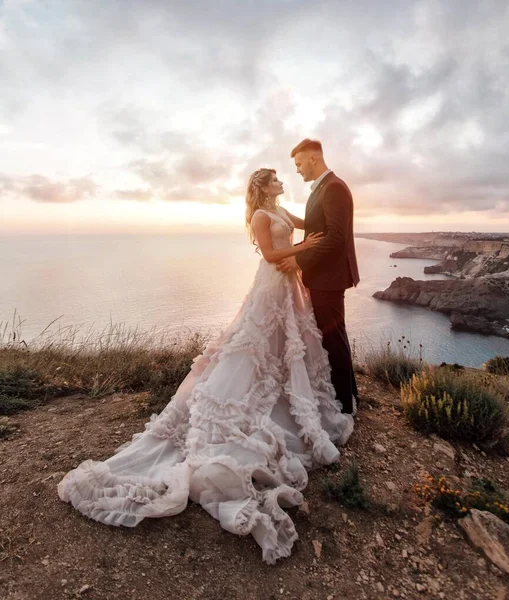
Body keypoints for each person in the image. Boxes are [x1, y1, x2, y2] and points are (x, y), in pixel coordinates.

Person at [58, 167, 353, 564]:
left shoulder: (280, 209)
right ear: (263, 186)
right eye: (277, 179)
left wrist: (322, 235)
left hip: (288, 286)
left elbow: (310, 227)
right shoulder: (261, 217)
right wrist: (300, 251)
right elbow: (269, 254)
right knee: (254, 346)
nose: (283, 182)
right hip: (271, 283)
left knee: (287, 348)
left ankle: (289, 390)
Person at [276, 139, 360, 415]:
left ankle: (345, 407)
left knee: (332, 338)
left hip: (330, 277)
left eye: (299, 164)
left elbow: (336, 238)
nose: (298, 170)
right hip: (325, 276)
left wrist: (299, 259)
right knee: (336, 335)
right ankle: (350, 394)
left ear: (313, 158)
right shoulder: (325, 187)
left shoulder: (334, 188)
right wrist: (291, 219)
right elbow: (317, 227)